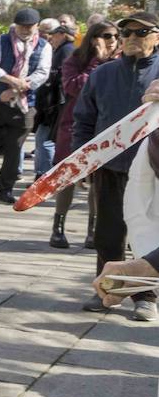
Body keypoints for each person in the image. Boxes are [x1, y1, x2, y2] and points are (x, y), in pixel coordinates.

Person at [72, 11, 159, 321]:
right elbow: (83, 120)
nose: (132, 38)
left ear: (157, 37)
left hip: (153, 171)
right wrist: (80, 164)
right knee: (108, 234)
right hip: (109, 167)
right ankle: (109, 289)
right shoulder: (103, 74)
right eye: (127, 33)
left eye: (141, 32)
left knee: (146, 234)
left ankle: (145, 295)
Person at [51, 20, 117, 248]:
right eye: (107, 36)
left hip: (106, 128)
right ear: (93, 38)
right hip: (74, 125)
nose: (112, 41)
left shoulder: (120, 63)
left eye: (116, 36)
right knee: (67, 177)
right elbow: (73, 87)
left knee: (99, 180)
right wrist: (97, 63)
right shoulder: (76, 60)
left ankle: (93, 231)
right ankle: (58, 229)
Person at [0, 8, 51, 203]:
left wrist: (15, 90)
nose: (25, 30)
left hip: (24, 106)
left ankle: (5, 188)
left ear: (36, 26)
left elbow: (42, 73)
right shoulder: (1, 41)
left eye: (29, 26)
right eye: (22, 26)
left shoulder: (44, 46)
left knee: (14, 150)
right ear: (15, 25)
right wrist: (11, 80)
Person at [34, 20, 75, 179]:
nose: (51, 38)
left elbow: (58, 78)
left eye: (54, 35)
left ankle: (44, 175)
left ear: (62, 35)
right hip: (53, 102)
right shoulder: (61, 49)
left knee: (45, 140)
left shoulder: (66, 51)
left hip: (54, 103)